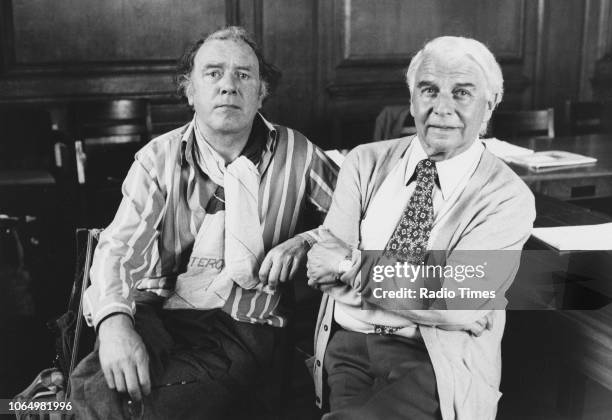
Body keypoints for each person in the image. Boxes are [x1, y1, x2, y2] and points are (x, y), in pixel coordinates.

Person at [70, 26, 338, 419]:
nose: (228, 86)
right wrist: (113, 323)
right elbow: (118, 247)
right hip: (157, 310)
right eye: (213, 73)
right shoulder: (158, 157)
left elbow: (360, 221)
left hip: (243, 323)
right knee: (96, 383)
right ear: (190, 90)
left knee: (154, 405)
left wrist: (306, 241)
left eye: (243, 75)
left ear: (261, 91)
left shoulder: (299, 153)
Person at [305, 36, 536, 420]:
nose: (441, 107)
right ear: (412, 99)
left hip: (433, 359)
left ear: (490, 105)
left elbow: (458, 300)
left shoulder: (507, 197)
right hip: (348, 346)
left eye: (462, 93)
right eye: (429, 90)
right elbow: (320, 267)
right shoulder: (364, 162)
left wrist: (350, 266)